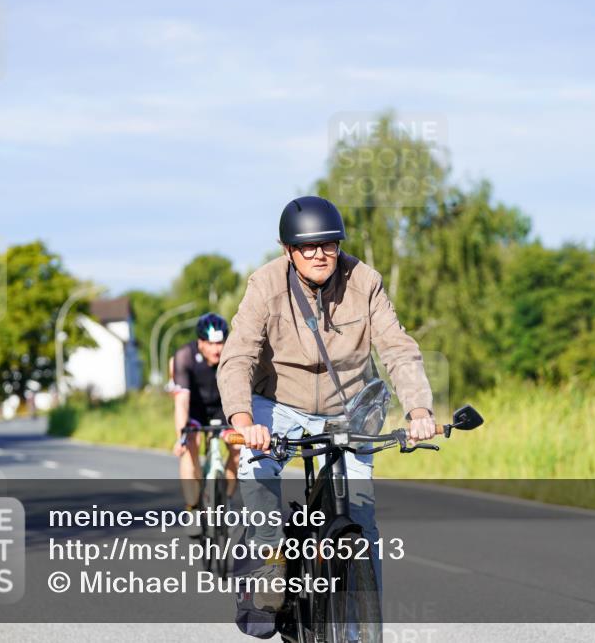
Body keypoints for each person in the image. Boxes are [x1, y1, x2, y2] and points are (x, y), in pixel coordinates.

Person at [217, 195, 436, 611]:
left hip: (347, 407)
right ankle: (270, 558)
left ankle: (365, 619)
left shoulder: (364, 281)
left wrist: (419, 411)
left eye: (329, 244)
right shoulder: (265, 285)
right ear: (288, 250)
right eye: (308, 247)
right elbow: (238, 356)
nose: (320, 254)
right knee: (255, 468)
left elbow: (397, 348)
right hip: (278, 403)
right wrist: (244, 421)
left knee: (361, 515)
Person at [172, 312, 240, 512]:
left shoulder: (233, 355)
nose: (216, 349)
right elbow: (181, 401)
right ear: (200, 342)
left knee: (238, 450)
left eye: (220, 343)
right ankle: (193, 504)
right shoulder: (184, 356)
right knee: (190, 445)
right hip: (196, 409)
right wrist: (181, 436)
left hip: (222, 409)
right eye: (210, 344)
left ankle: (224, 499)